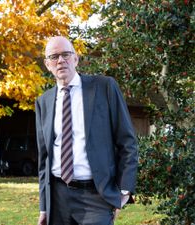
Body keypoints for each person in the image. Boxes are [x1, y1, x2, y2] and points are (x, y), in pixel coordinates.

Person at [35, 36, 138, 225]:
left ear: (76, 58)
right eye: (54, 56)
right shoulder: (44, 102)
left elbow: (127, 141)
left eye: (66, 54)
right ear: (47, 64)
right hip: (58, 198)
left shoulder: (104, 87)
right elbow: (44, 159)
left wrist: (124, 190)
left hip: (96, 196)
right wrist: (44, 206)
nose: (61, 60)